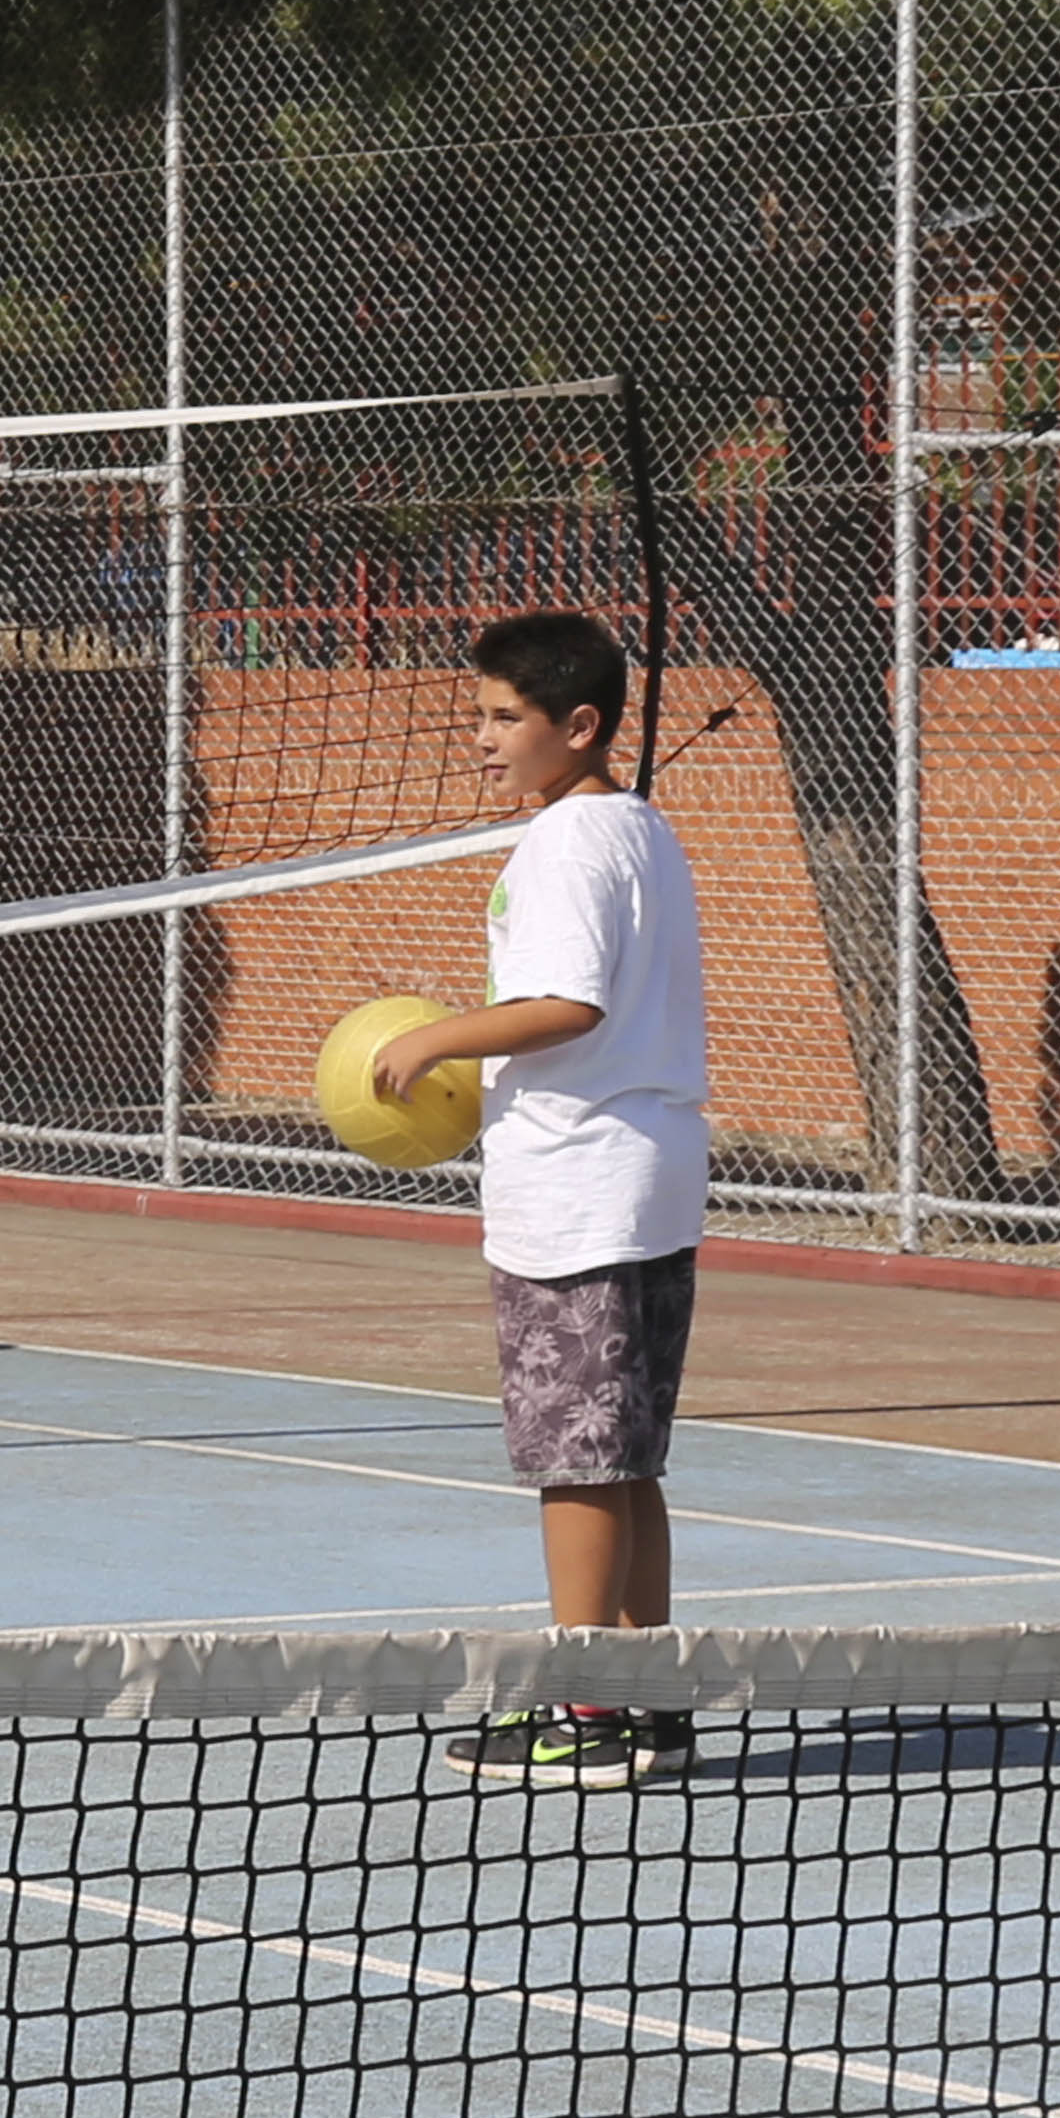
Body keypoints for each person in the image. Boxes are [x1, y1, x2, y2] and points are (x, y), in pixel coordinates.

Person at [372, 611, 712, 1787]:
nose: (482, 738)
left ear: (579, 726)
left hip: (582, 1191)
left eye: (502, 718)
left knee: (577, 1460)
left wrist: (435, 1041)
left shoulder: (571, 841)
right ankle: (648, 1696)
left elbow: (567, 1004)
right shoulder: (640, 828)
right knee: (625, 1460)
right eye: (481, 714)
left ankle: (591, 1709)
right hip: (642, 1181)